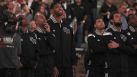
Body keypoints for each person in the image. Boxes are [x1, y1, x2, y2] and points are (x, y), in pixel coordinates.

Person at [48, 2, 77, 77]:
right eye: (57, 7)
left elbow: (71, 46)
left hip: (68, 66)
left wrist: (74, 63)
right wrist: (52, 66)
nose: (60, 8)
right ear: (51, 11)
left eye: (61, 7)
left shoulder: (67, 26)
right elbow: (46, 48)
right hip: (54, 67)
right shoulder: (47, 25)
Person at [106, 11, 133, 77]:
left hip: (125, 68)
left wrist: (118, 45)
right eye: (117, 17)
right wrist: (124, 47)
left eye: (120, 17)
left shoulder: (126, 33)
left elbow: (132, 50)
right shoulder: (107, 33)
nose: (120, 18)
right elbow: (112, 49)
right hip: (112, 69)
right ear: (112, 20)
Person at [0, 1, 22, 77]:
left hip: (5, 68)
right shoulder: (17, 36)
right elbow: (19, 52)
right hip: (12, 68)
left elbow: (19, 52)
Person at [34, 13, 56, 77]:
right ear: (36, 21)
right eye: (41, 17)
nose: (44, 19)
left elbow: (54, 46)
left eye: (44, 17)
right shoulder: (34, 34)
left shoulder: (49, 33)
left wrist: (49, 33)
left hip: (49, 66)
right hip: (40, 66)